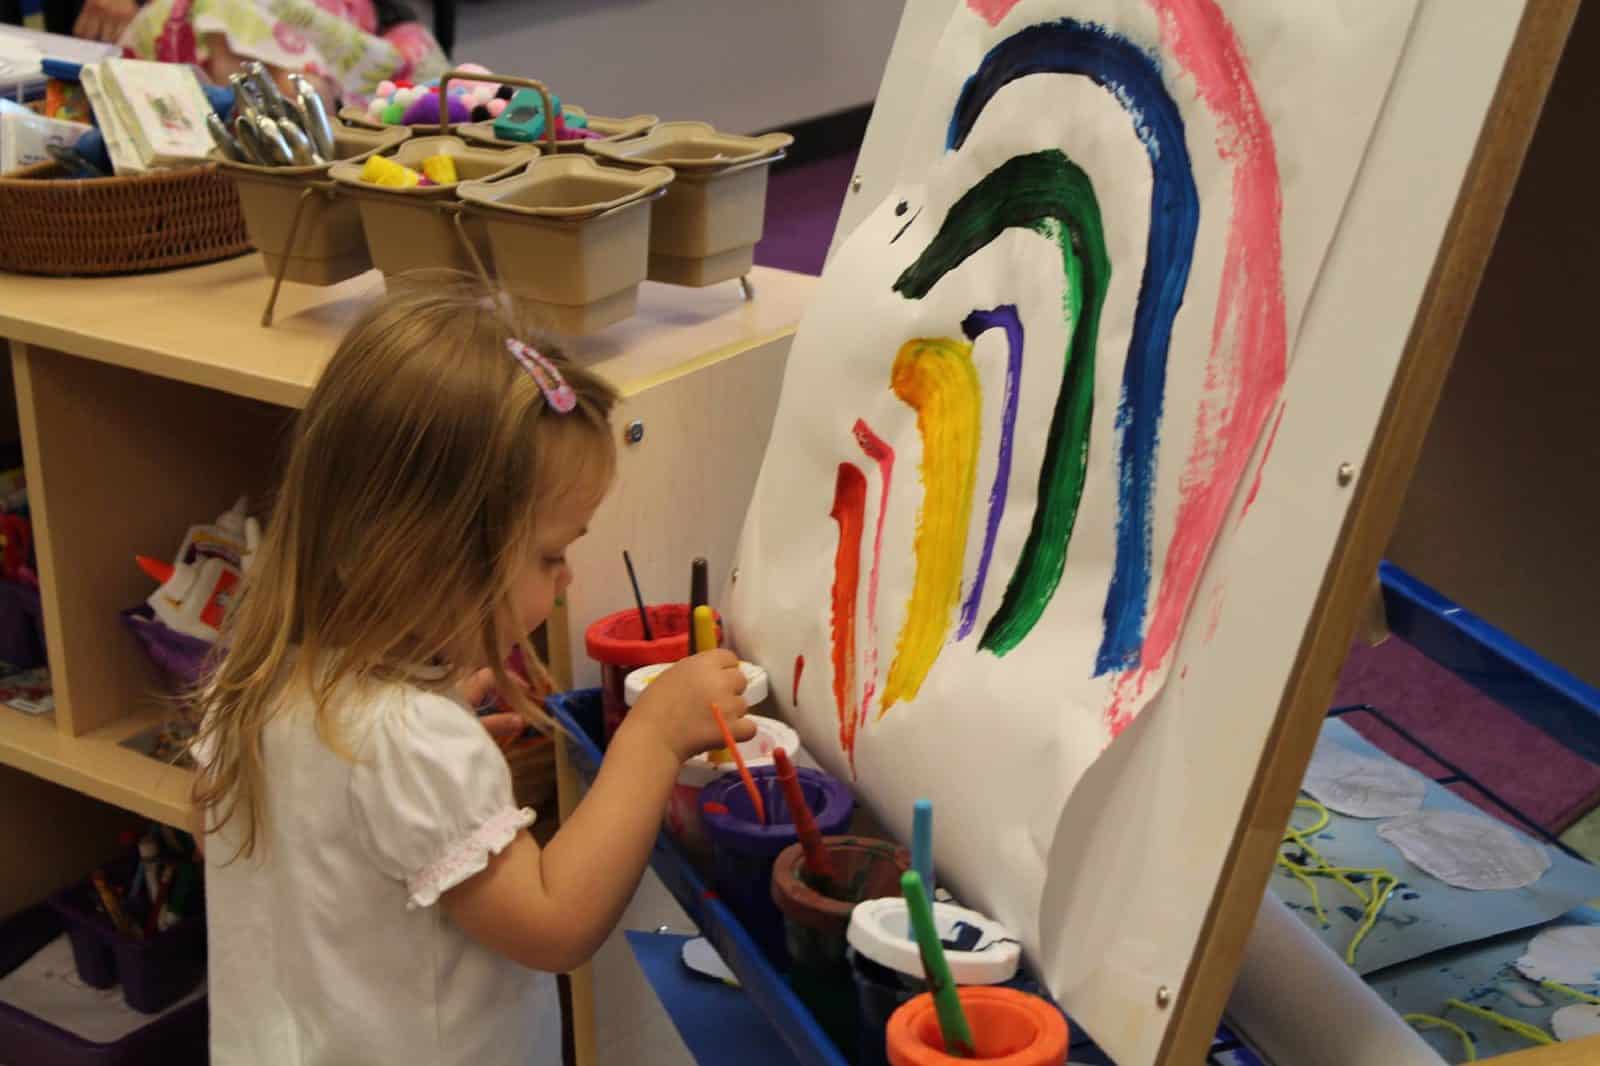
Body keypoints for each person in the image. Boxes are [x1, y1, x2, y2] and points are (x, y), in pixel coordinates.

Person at [190, 274, 754, 1066]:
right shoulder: (411, 742)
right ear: (426, 555)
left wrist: (419, 773)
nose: (564, 579)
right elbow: (556, 924)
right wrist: (653, 742)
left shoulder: (250, 682)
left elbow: (261, 840)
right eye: (550, 553)